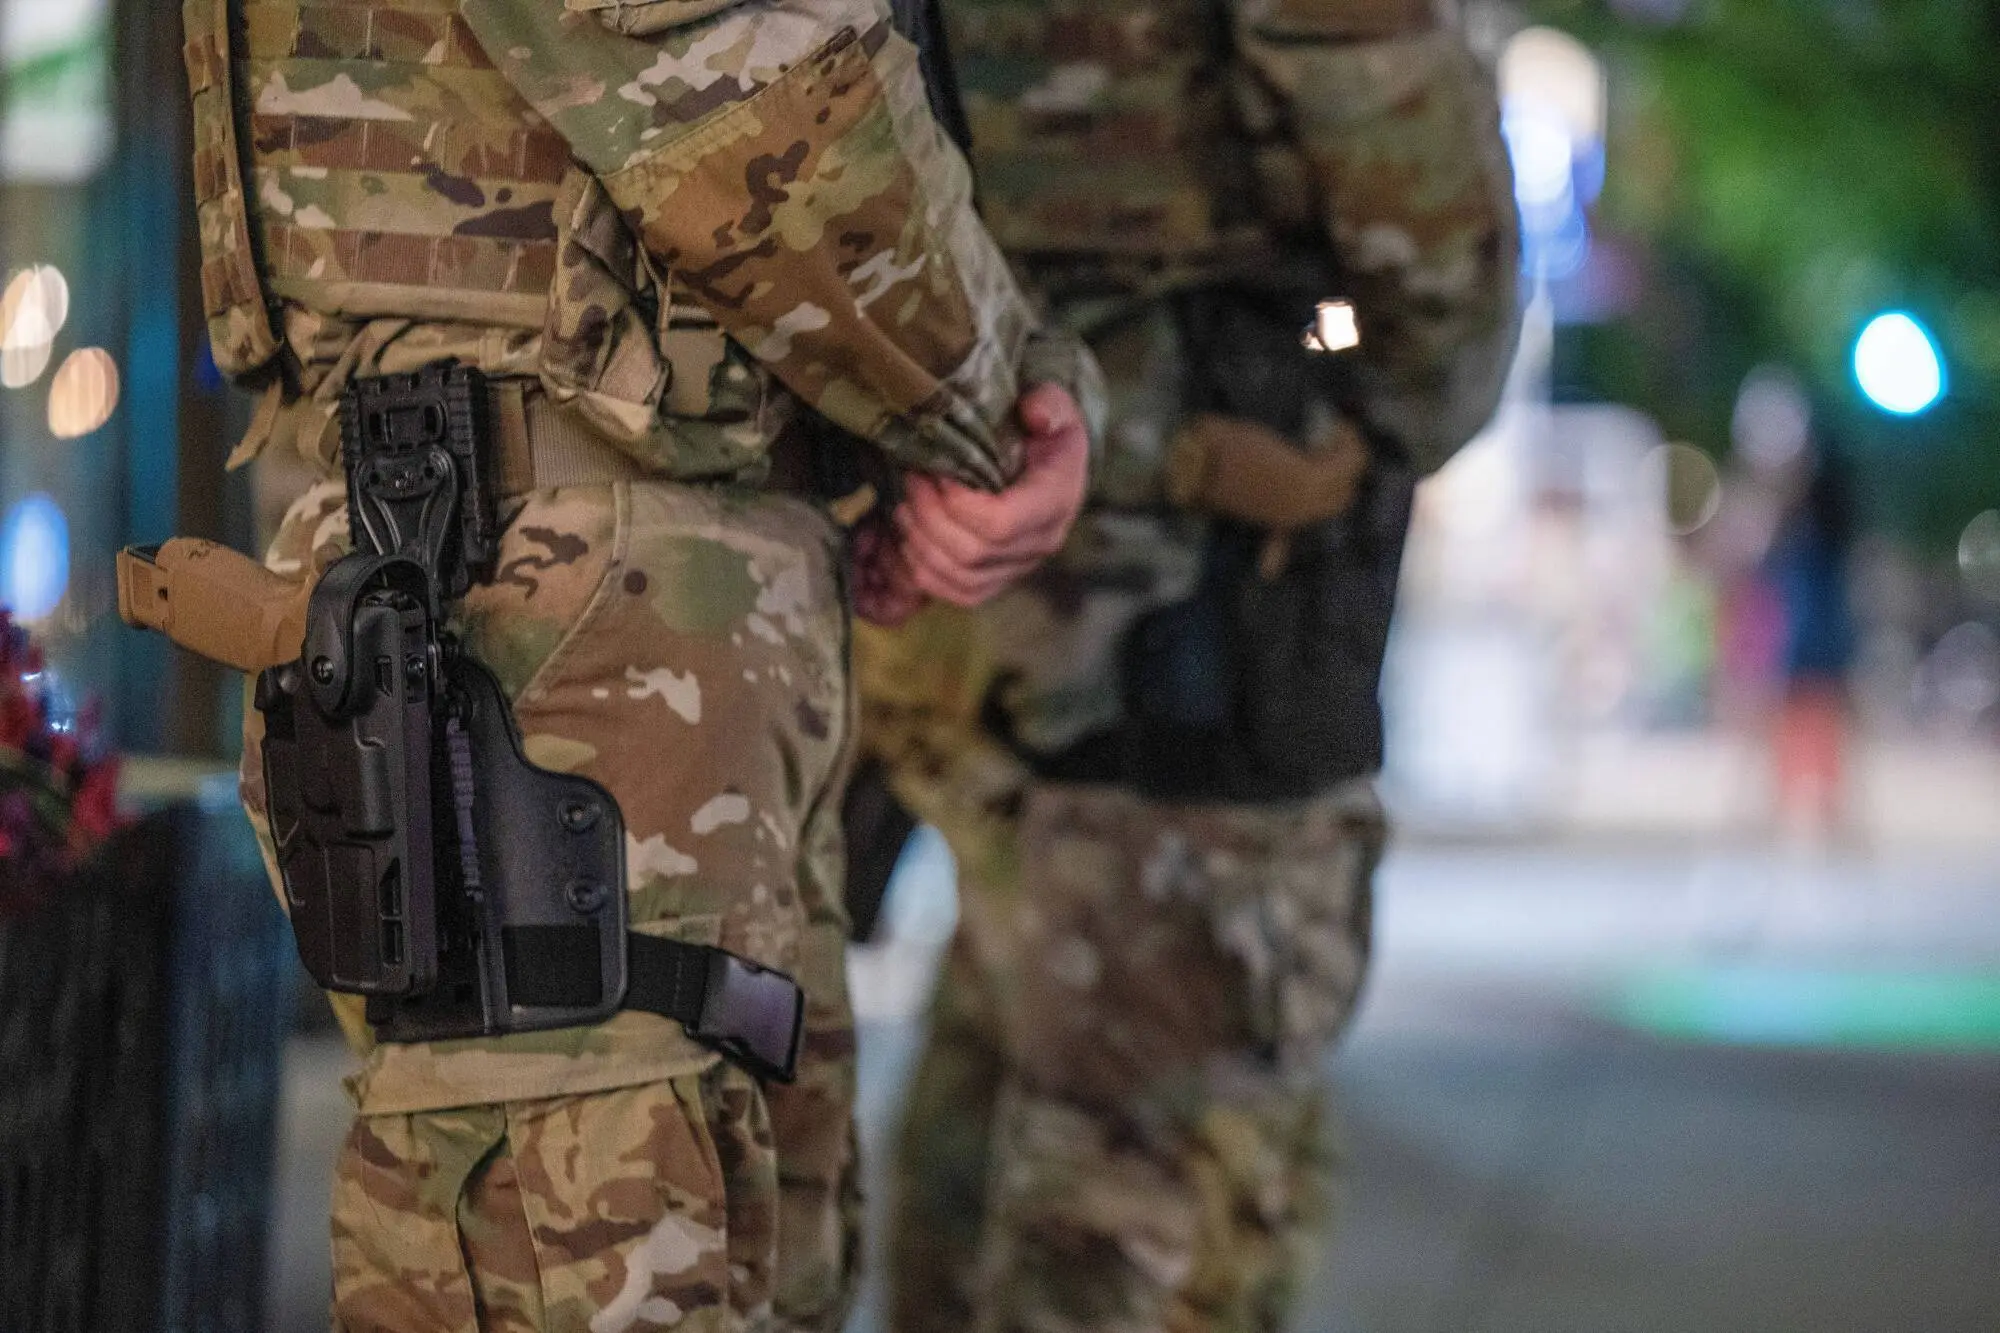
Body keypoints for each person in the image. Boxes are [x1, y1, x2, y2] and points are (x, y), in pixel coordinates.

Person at [174, 0, 1097, 1327]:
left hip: (561, 581)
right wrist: (1009, 406)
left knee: (719, 1249)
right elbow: (760, 92)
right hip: (570, 616)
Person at [854, 2, 1520, 1329]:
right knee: (1155, 1242)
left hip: (936, 636)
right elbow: (1443, 319)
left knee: (971, 1195)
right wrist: (1275, 434)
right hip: (1187, 675)